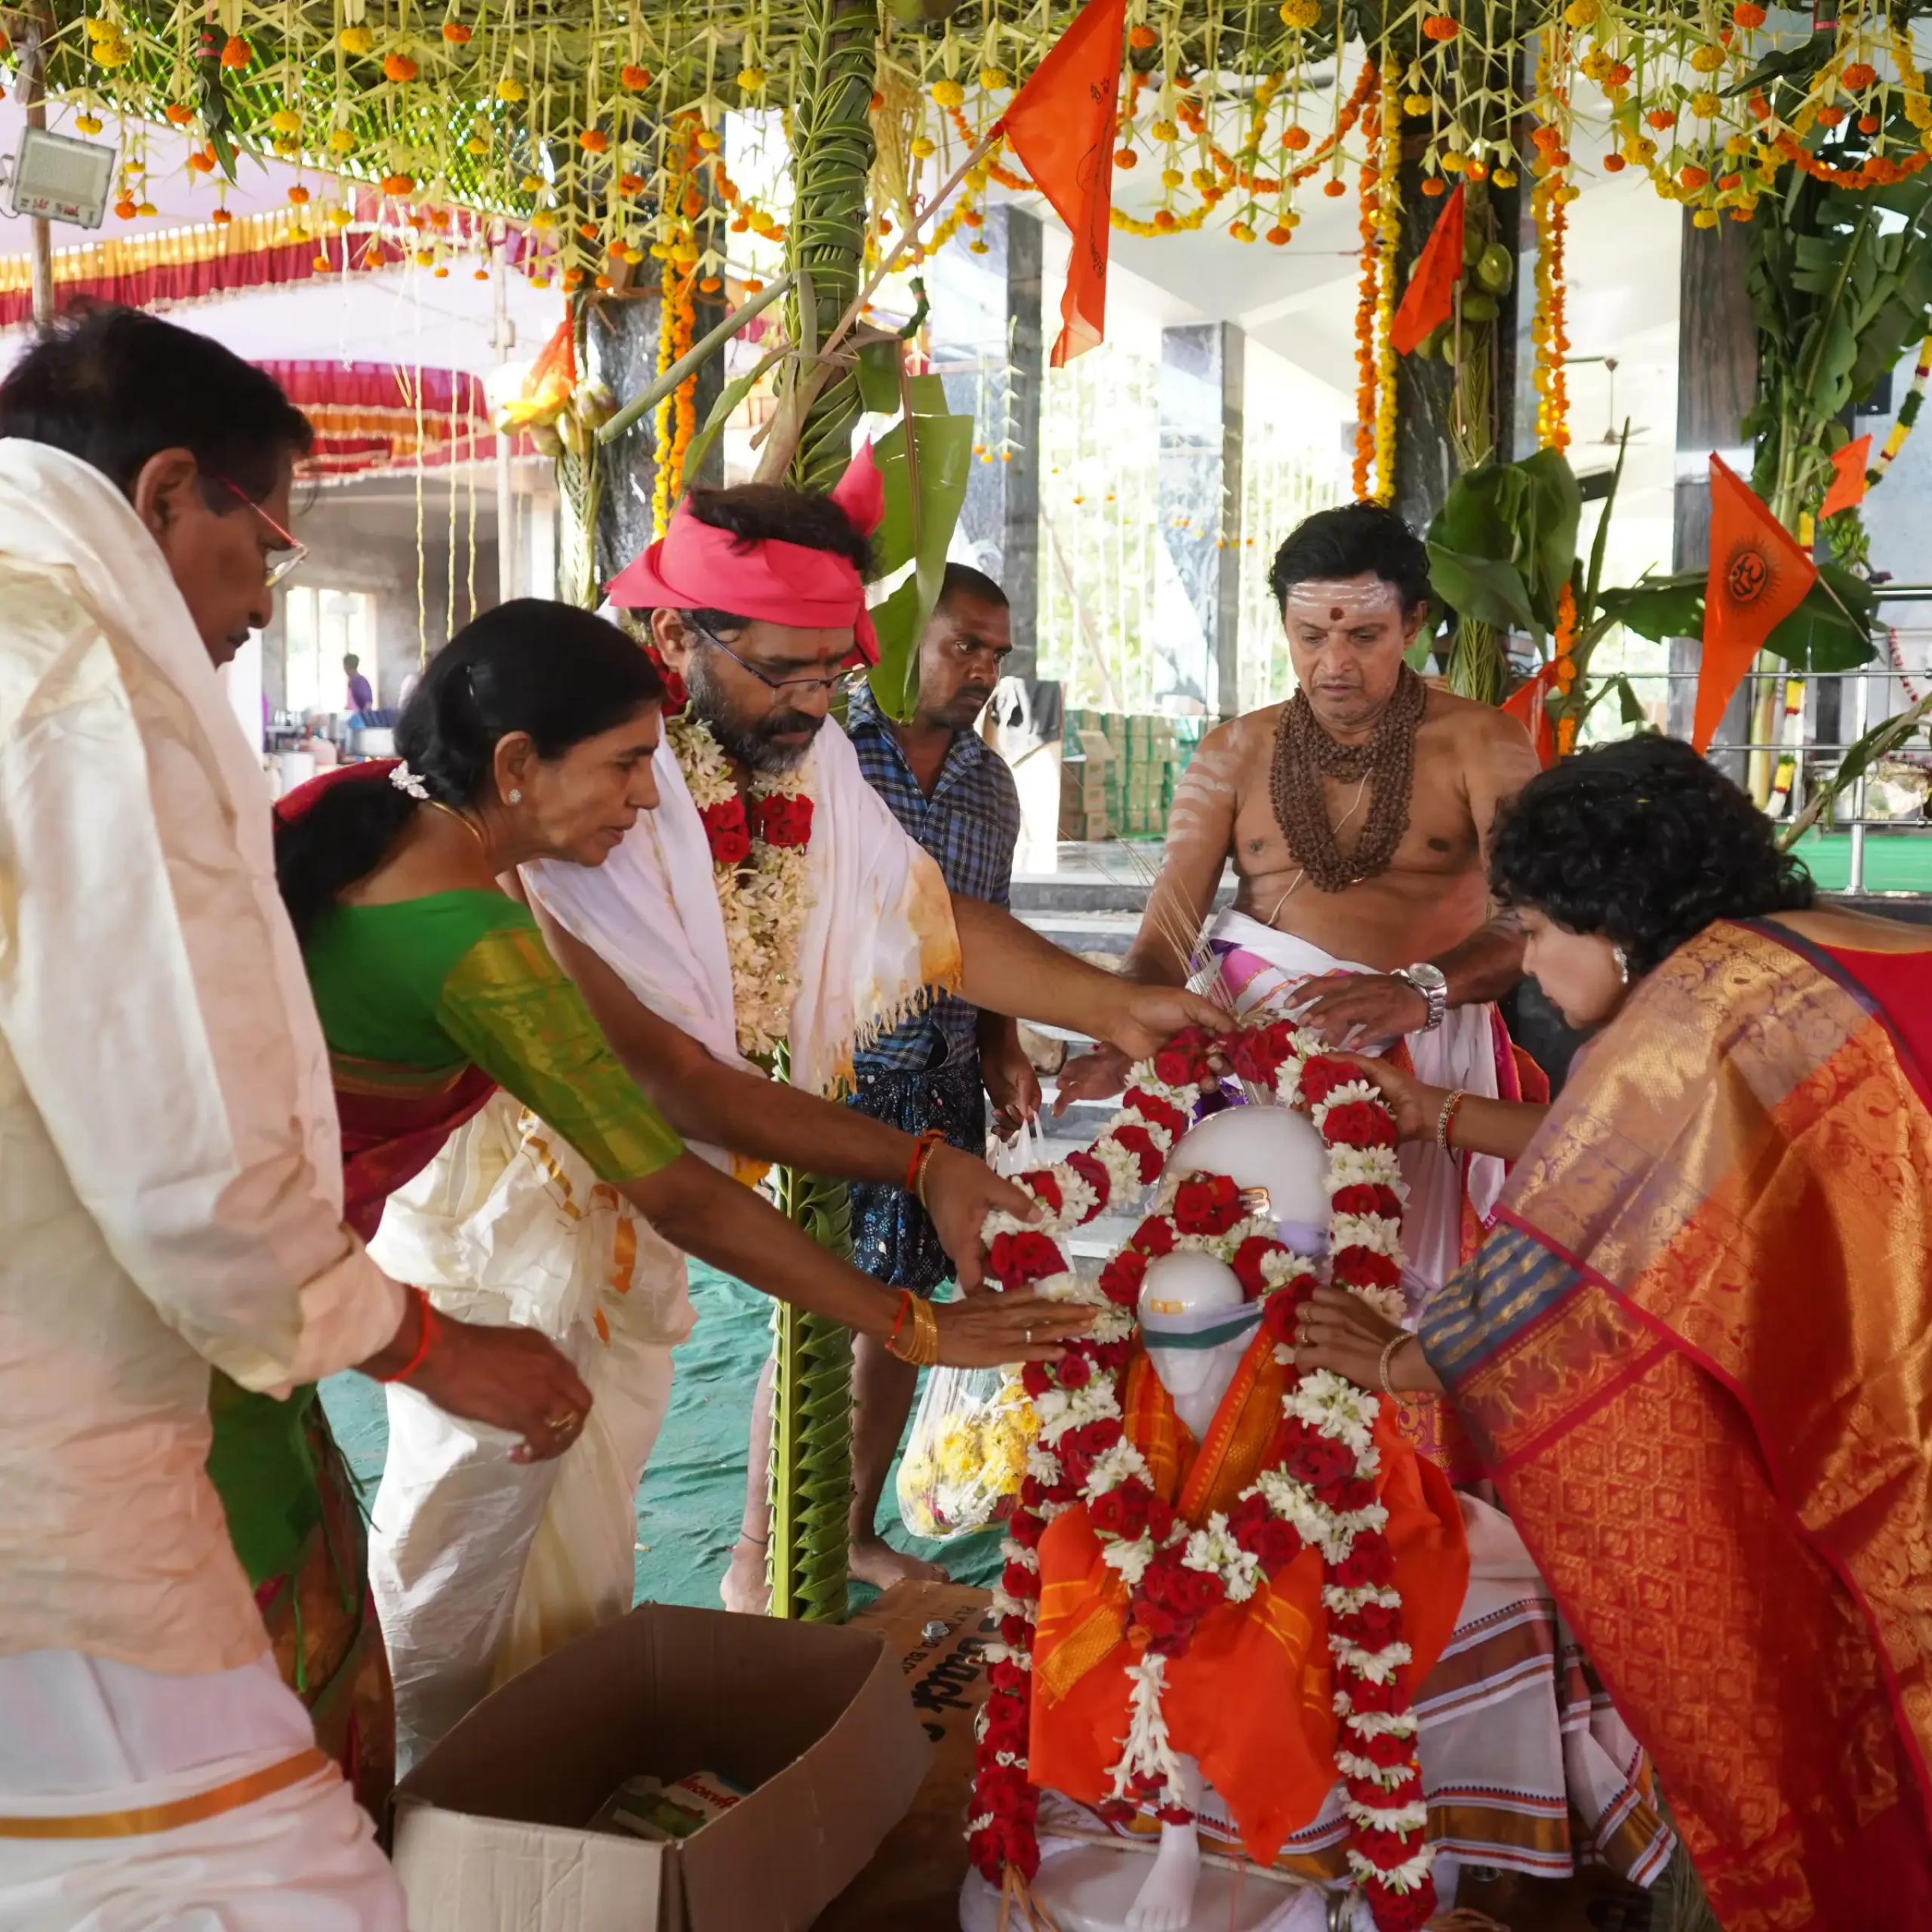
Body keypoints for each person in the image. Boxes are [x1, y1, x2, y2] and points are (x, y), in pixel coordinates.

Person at [368, 475, 1226, 1732]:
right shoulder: (563, 802)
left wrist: (1114, 1008)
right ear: (676, 642)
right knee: (463, 1556)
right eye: (785, 673)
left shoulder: (798, 759)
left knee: (584, 1550)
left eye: (837, 673)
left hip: (635, 1224)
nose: (817, 705)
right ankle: (423, 1802)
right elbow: (671, 1094)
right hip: (506, 1232)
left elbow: (919, 915)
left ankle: (525, 1822)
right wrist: (917, 1206)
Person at [278, 598, 1091, 1773]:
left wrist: (928, 1162)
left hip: (291, 1279)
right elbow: (677, 1181)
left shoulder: (427, 850)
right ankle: (423, 1819)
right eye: (625, 767)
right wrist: (913, 1322)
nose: (650, 802)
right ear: (516, 766)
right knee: (415, 1593)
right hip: (249, 1295)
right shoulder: (469, 928)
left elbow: (691, 1090)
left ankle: (490, 1812)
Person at [0, 306, 586, 1927]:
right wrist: (422, 1344)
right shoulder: (71, 658)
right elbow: (178, 1144)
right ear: (169, 489)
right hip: (57, 1443)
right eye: (265, 543)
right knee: (278, 1879)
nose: (265, 595)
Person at [1296, 735, 1932, 1928]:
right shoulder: (1822, 948)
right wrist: (1434, 1113)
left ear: (1614, 920)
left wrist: (1390, 1356)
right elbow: (1650, 1167)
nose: (1530, 967)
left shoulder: (1691, 1016)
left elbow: (1549, 1286)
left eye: (1534, 931)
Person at [1059, 503, 1544, 1312]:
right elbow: (1166, 935)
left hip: (1418, 1053)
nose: (1333, 664)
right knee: (1237, 1286)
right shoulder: (1234, 753)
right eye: (1310, 635)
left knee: (1396, 1307)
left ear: (1415, 623)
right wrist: (1122, 1026)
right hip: (1245, 1061)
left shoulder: (1482, 744)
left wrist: (1416, 991)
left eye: (1363, 635)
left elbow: (1532, 921)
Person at [841, 562, 1040, 1589]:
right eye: (963, 645)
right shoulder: (829, 753)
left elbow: (988, 933)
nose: (981, 671)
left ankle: (856, 1529)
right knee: (817, 1309)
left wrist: (1003, 1046)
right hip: (837, 1085)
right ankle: (757, 1545)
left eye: (997, 655)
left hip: (946, 1080)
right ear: (899, 634)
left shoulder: (989, 784)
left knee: (903, 1313)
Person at [345, 651, 374, 716]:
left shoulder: (360, 682)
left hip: (360, 721)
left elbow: (368, 704)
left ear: (347, 667)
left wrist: (362, 717)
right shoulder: (351, 682)